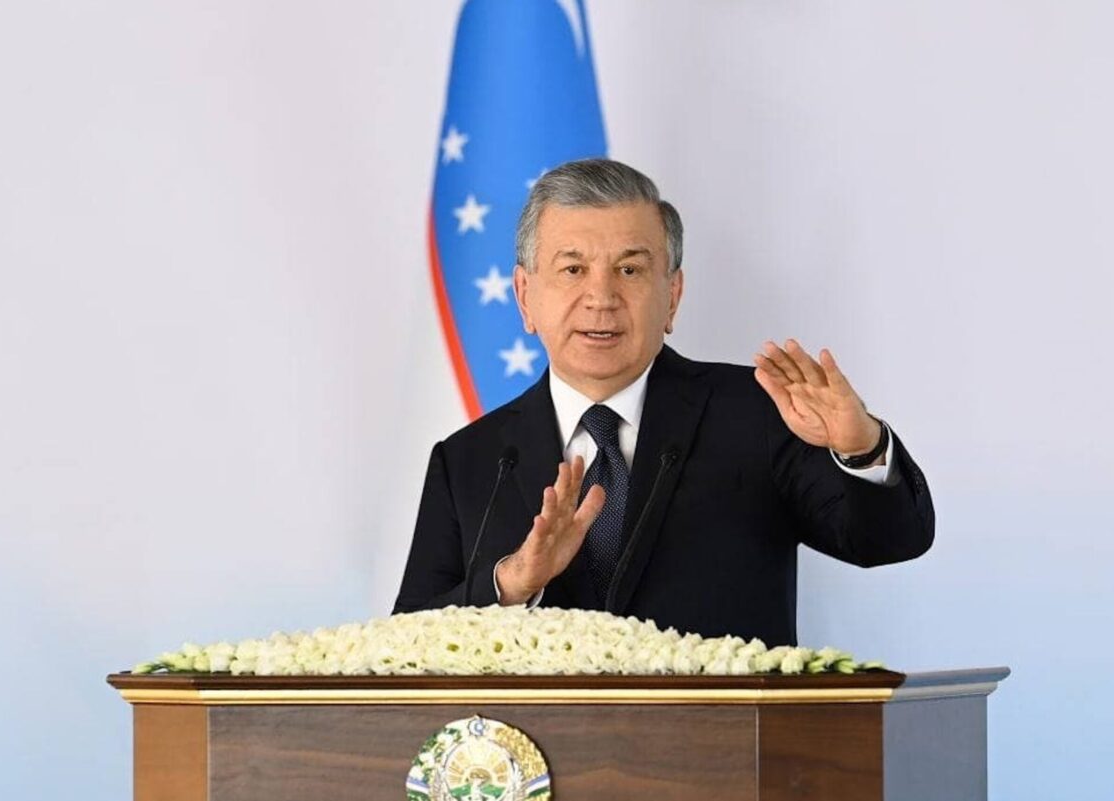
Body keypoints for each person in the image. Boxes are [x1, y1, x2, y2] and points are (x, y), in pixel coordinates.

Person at [394, 159, 933, 645]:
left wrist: (862, 449)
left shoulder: (761, 414)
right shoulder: (469, 460)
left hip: (725, 751)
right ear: (525, 296)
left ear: (672, 296)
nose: (601, 297)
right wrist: (508, 585)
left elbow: (887, 542)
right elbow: (405, 648)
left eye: (629, 270)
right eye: (573, 269)